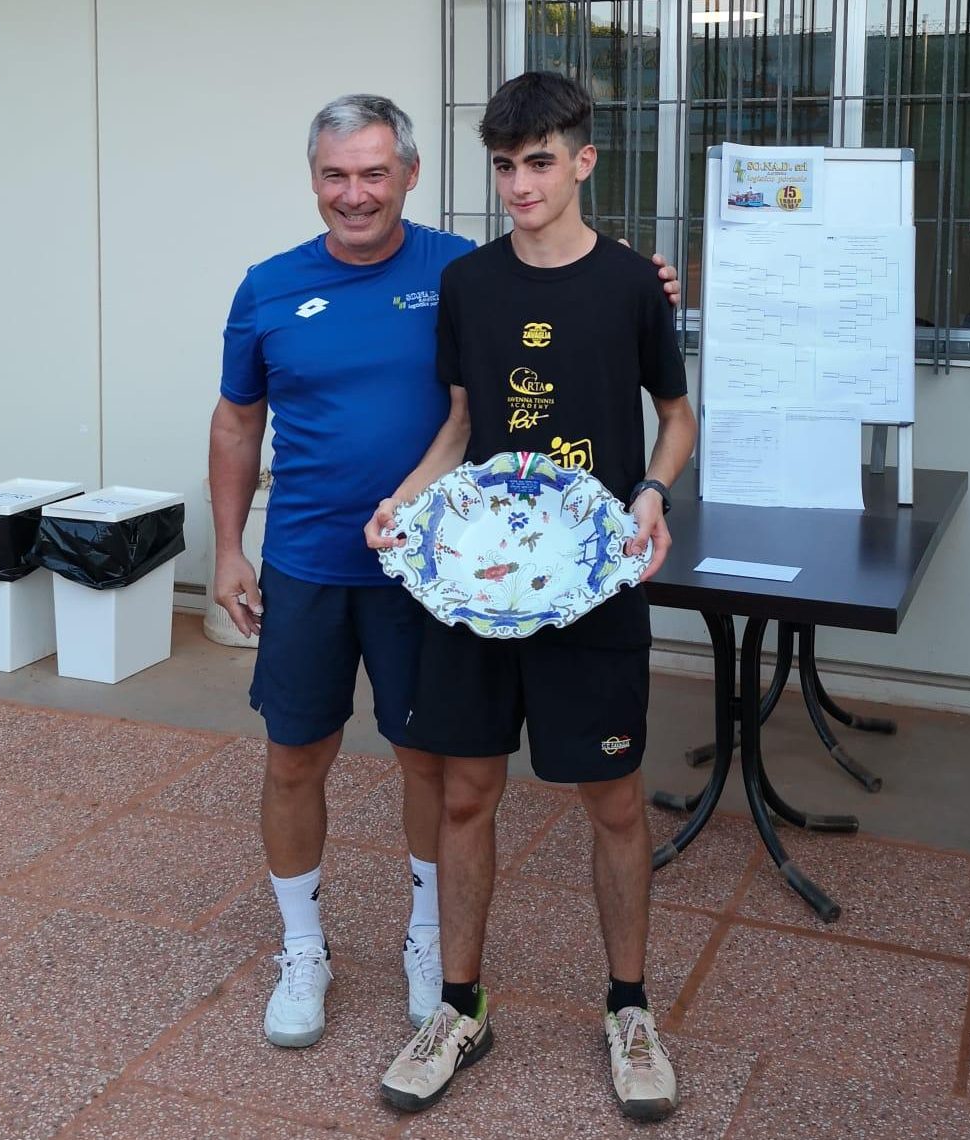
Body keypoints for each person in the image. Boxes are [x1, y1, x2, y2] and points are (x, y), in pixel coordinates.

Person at [209, 93, 679, 1051]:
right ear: (312, 180)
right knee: (312, 756)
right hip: (336, 563)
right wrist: (230, 545)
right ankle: (314, 952)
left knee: (463, 768)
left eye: (374, 172)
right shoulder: (289, 286)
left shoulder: (463, 270)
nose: (355, 193)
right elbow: (243, 422)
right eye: (336, 175)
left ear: (410, 177)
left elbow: (612, 334)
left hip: (486, 576)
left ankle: (463, 954)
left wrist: (651, 290)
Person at [365, 72, 697, 1121]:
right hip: (475, 585)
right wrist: (403, 505)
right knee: (464, 792)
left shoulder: (634, 287)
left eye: (540, 162)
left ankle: (631, 1009)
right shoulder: (471, 285)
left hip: (594, 584)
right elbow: (465, 424)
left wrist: (649, 492)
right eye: (505, 165)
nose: (519, 184)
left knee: (612, 802)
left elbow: (677, 416)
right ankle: (461, 1007)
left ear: (584, 161)